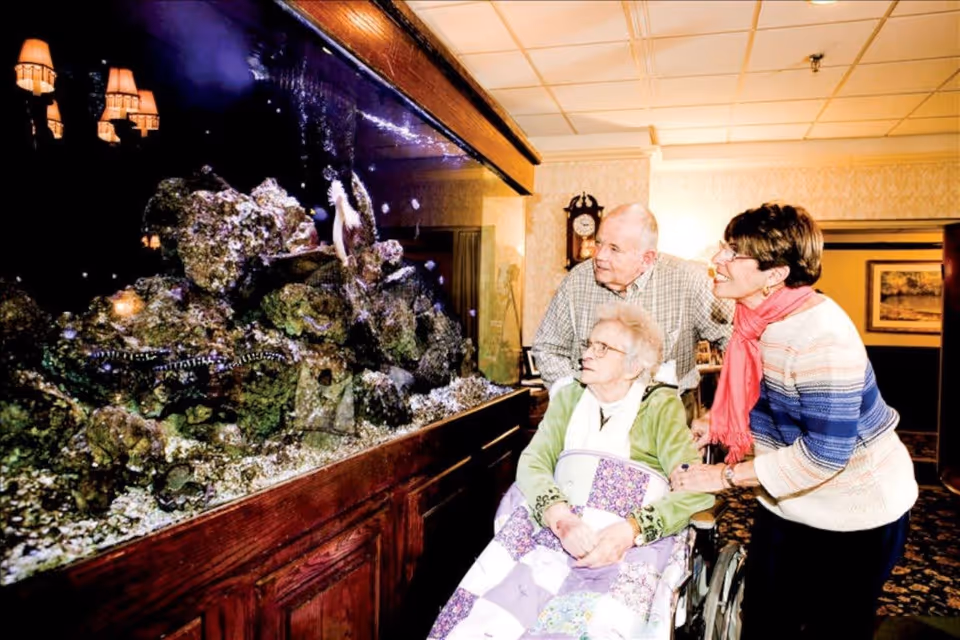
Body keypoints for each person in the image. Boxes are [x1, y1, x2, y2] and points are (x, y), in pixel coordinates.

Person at [670, 203, 918, 640]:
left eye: (734, 253)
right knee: (765, 619)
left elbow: (826, 455)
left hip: (854, 515)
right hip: (787, 500)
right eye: (724, 247)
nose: (718, 261)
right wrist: (717, 421)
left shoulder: (821, 338)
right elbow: (769, 394)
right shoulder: (756, 319)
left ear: (774, 274)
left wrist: (724, 476)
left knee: (831, 629)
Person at [428, 304, 713, 640]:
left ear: (634, 366)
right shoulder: (569, 398)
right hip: (558, 526)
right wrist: (562, 519)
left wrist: (630, 531)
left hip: (627, 540)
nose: (587, 355)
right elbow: (534, 462)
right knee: (484, 618)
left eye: (603, 348)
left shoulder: (659, 407)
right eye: (589, 345)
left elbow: (695, 486)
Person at [532, 203, 732, 424]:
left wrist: (719, 413)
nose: (599, 256)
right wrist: (577, 398)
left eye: (614, 249)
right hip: (592, 414)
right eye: (599, 243)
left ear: (646, 259)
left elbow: (738, 343)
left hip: (668, 416)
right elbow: (548, 348)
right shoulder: (576, 281)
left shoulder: (691, 281)